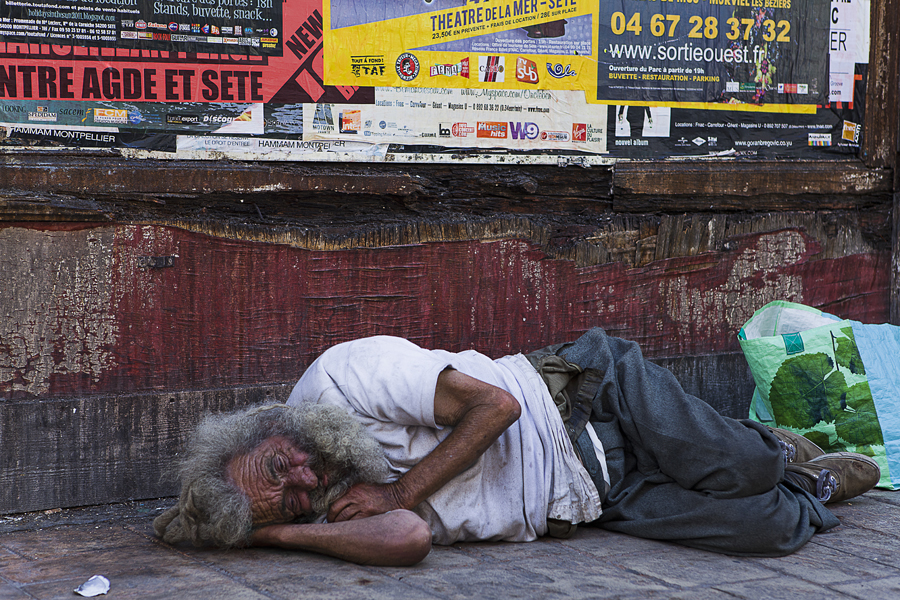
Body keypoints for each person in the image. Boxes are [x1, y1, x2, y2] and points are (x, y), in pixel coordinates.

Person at [154, 328, 880, 566]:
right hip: (588, 499)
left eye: (284, 465)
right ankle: (808, 486)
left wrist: (401, 487)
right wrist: (277, 528)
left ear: (261, 426)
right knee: (771, 528)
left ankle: (769, 451)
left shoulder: (340, 377)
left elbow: (494, 405)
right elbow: (406, 539)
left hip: (590, 402)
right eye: (298, 495)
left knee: (744, 470)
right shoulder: (317, 512)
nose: (307, 475)